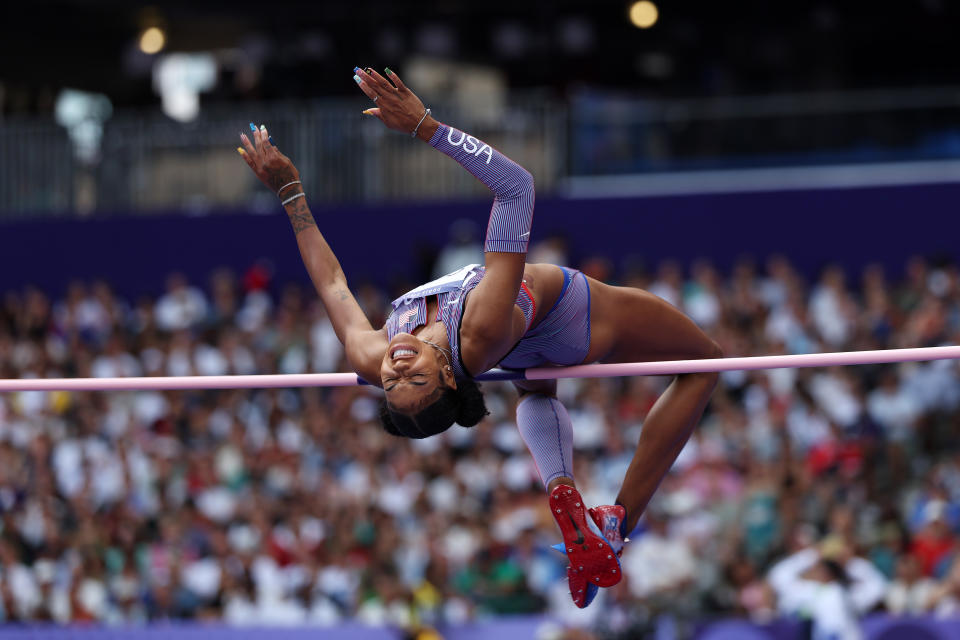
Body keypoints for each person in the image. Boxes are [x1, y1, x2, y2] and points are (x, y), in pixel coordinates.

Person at [237, 66, 722, 608]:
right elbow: (517, 186)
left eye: (392, 383)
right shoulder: (478, 326)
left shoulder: (372, 355)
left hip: (522, 351)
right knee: (706, 364)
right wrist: (425, 126)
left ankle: (565, 492)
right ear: (446, 374)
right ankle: (619, 516)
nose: (396, 369)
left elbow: (329, 281)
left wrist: (290, 191)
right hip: (574, 317)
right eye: (415, 377)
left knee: (534, 385)